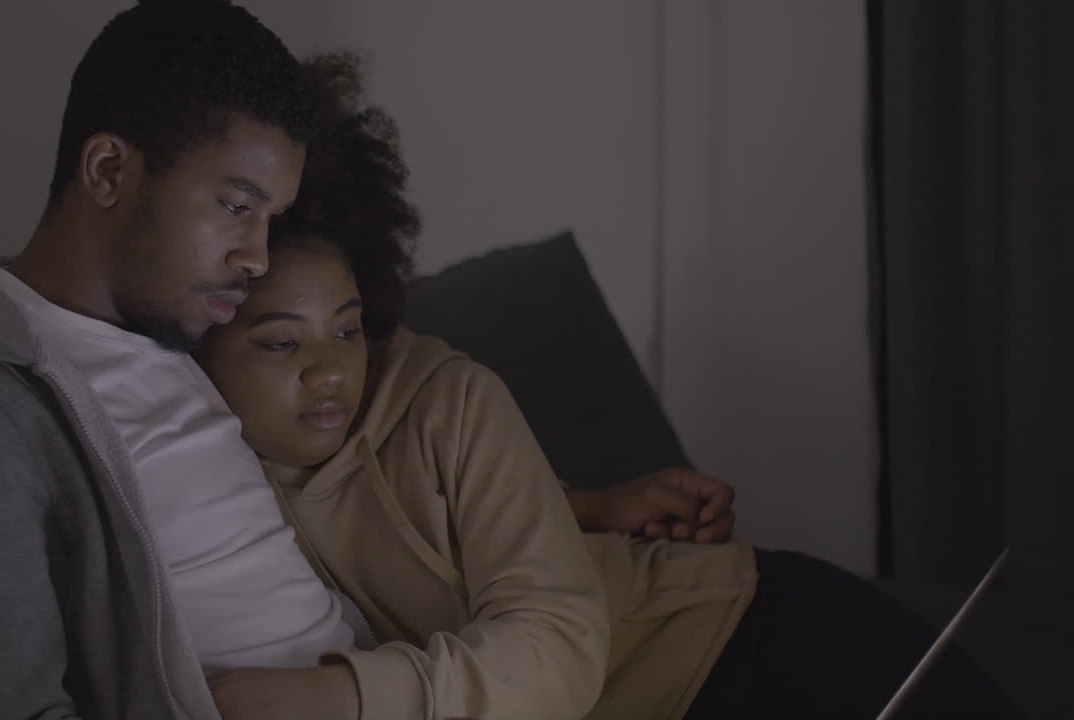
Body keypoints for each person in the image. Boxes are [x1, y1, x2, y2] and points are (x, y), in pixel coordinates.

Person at [198, 52, 1025, 720]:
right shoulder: (195, 481)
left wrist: (338, 696)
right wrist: (579, 507)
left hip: (752, 640)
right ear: (199, 342)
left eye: (348, 329)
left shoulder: (445, 395)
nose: (333, 369)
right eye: (278, 342)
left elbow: (553, 645)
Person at [0, 3, 364, 719]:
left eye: (270, 219)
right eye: (236, 206)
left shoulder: (186, 336)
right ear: (110, 170)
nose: (258, 257)